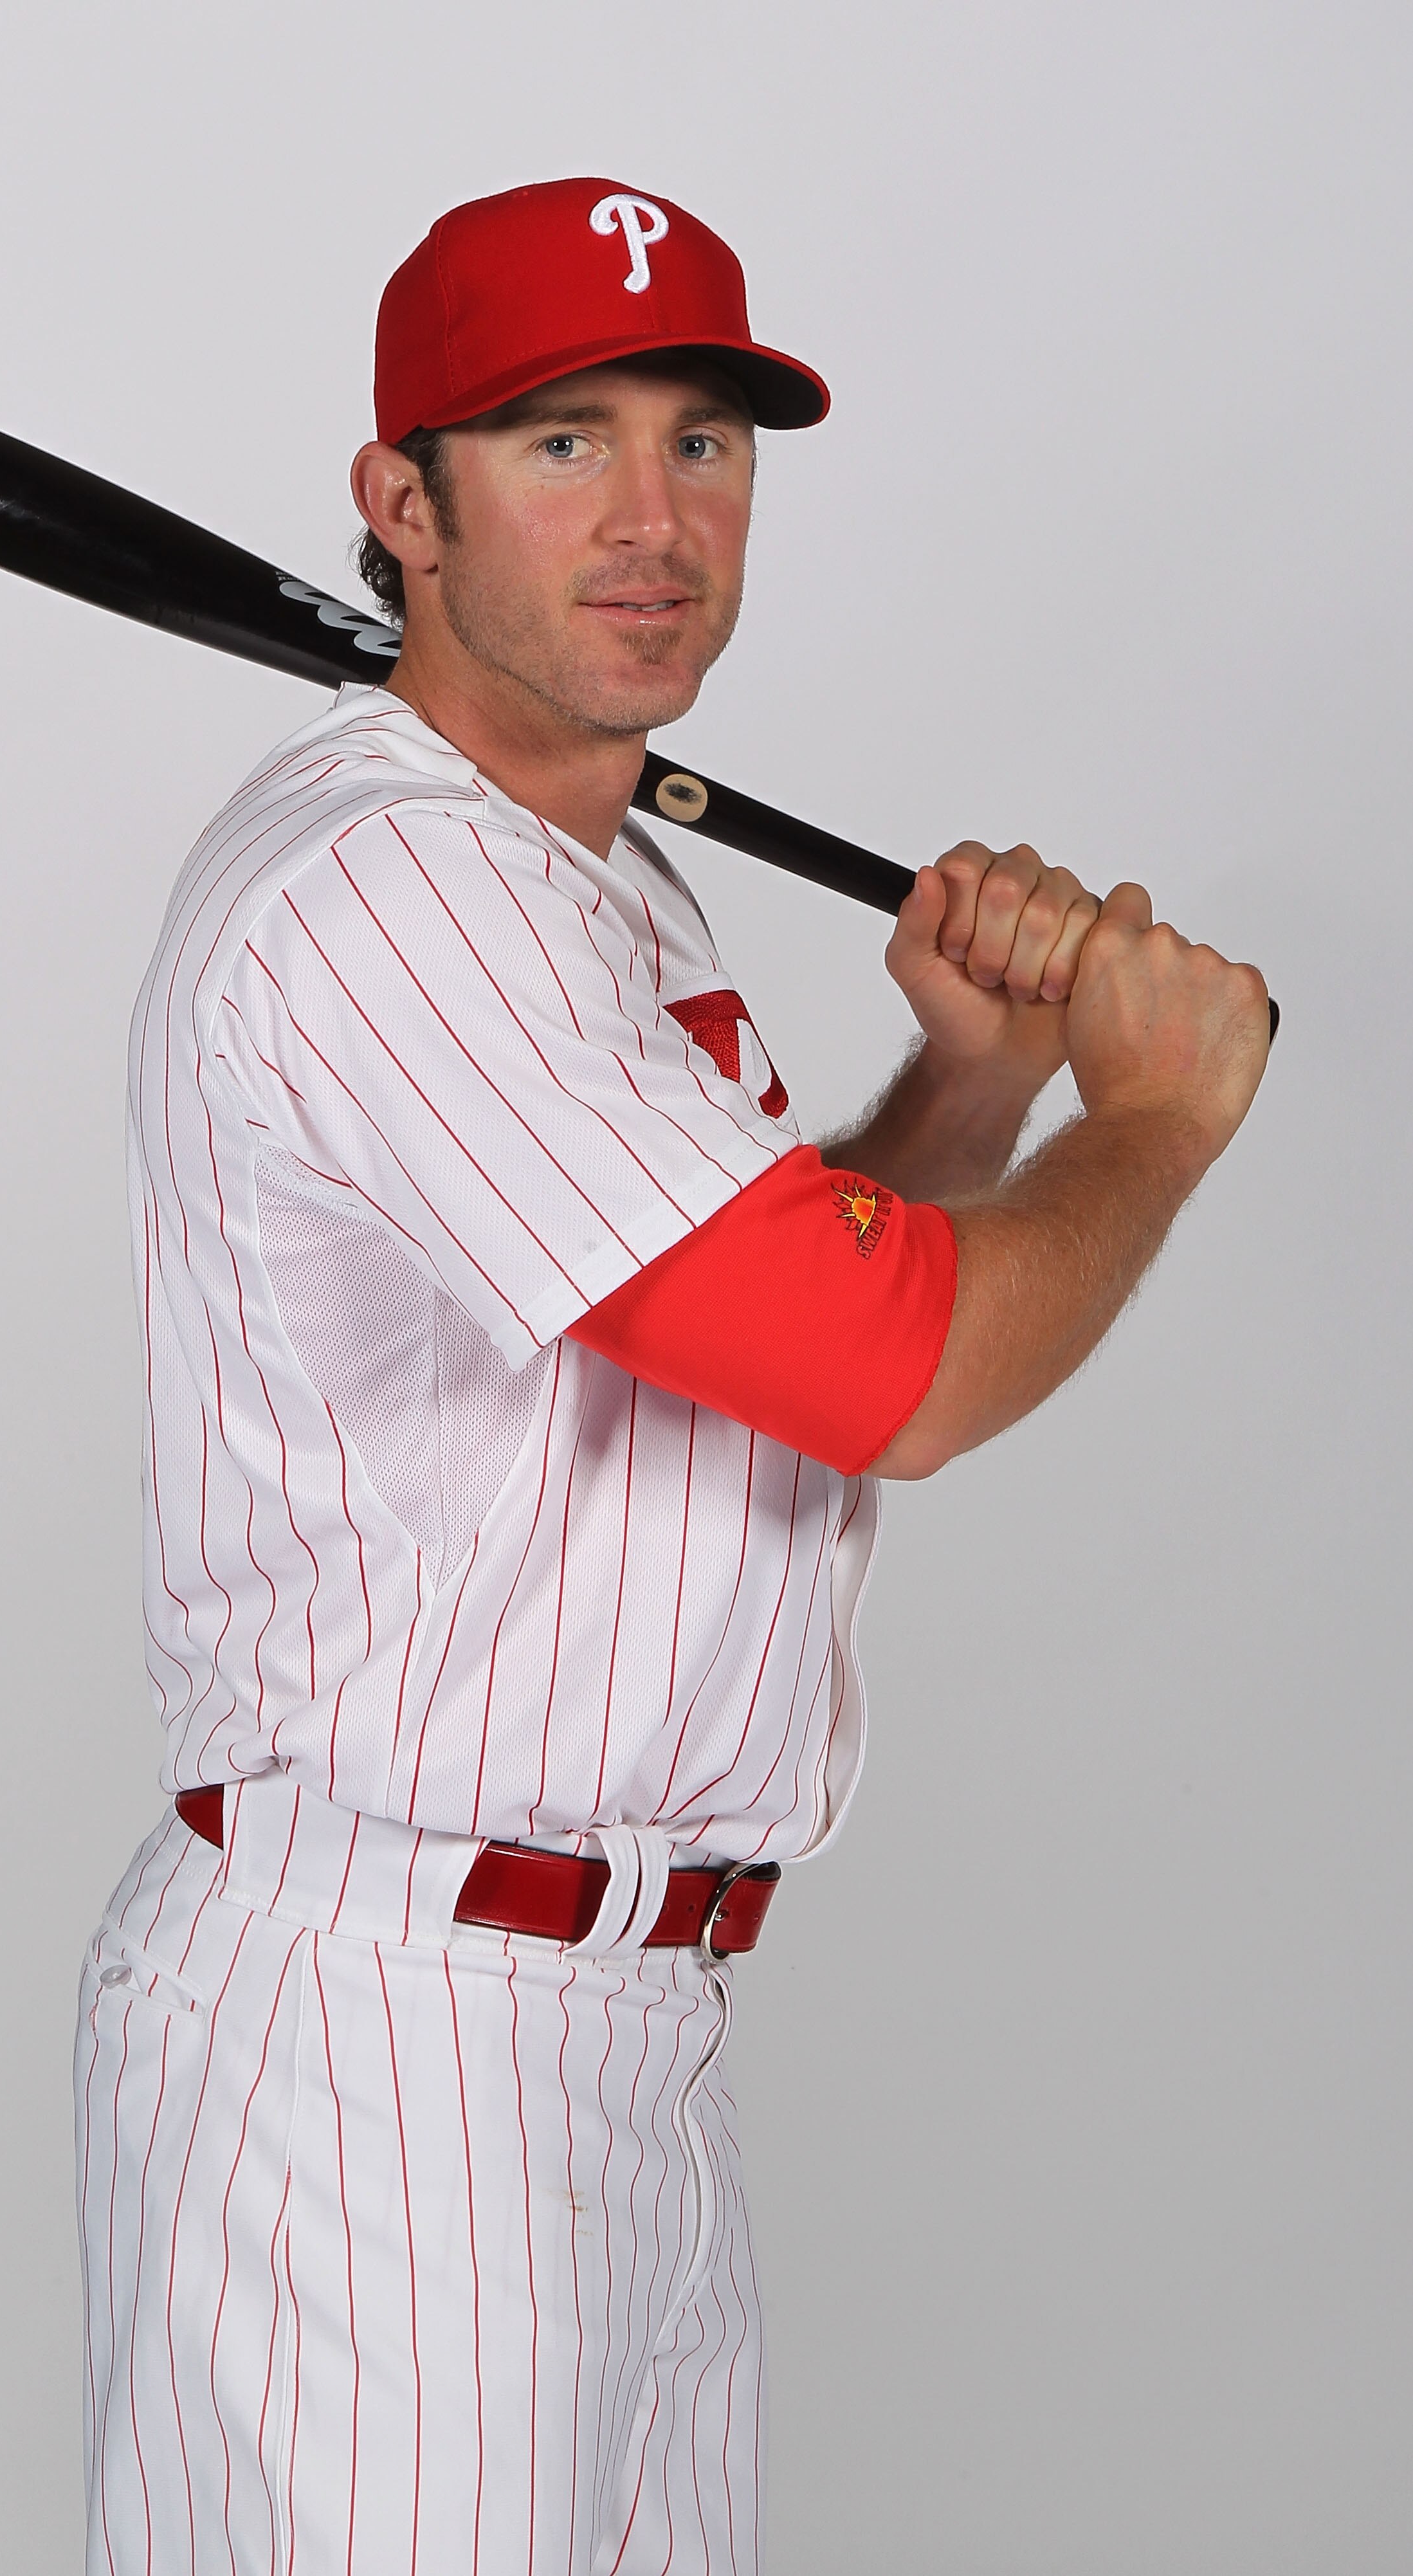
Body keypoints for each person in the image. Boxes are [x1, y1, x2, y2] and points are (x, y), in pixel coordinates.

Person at [75, 178, 1268, 2575]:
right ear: (398, 508)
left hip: (606, 2040)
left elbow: (717, 1342)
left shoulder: (587, 880)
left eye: (705, 442)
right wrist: (1150, 1116)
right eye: (556, 441)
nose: (654, 521)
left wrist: (965, 1097)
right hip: (388, 2034)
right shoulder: (389, 891)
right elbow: (880, 1374)